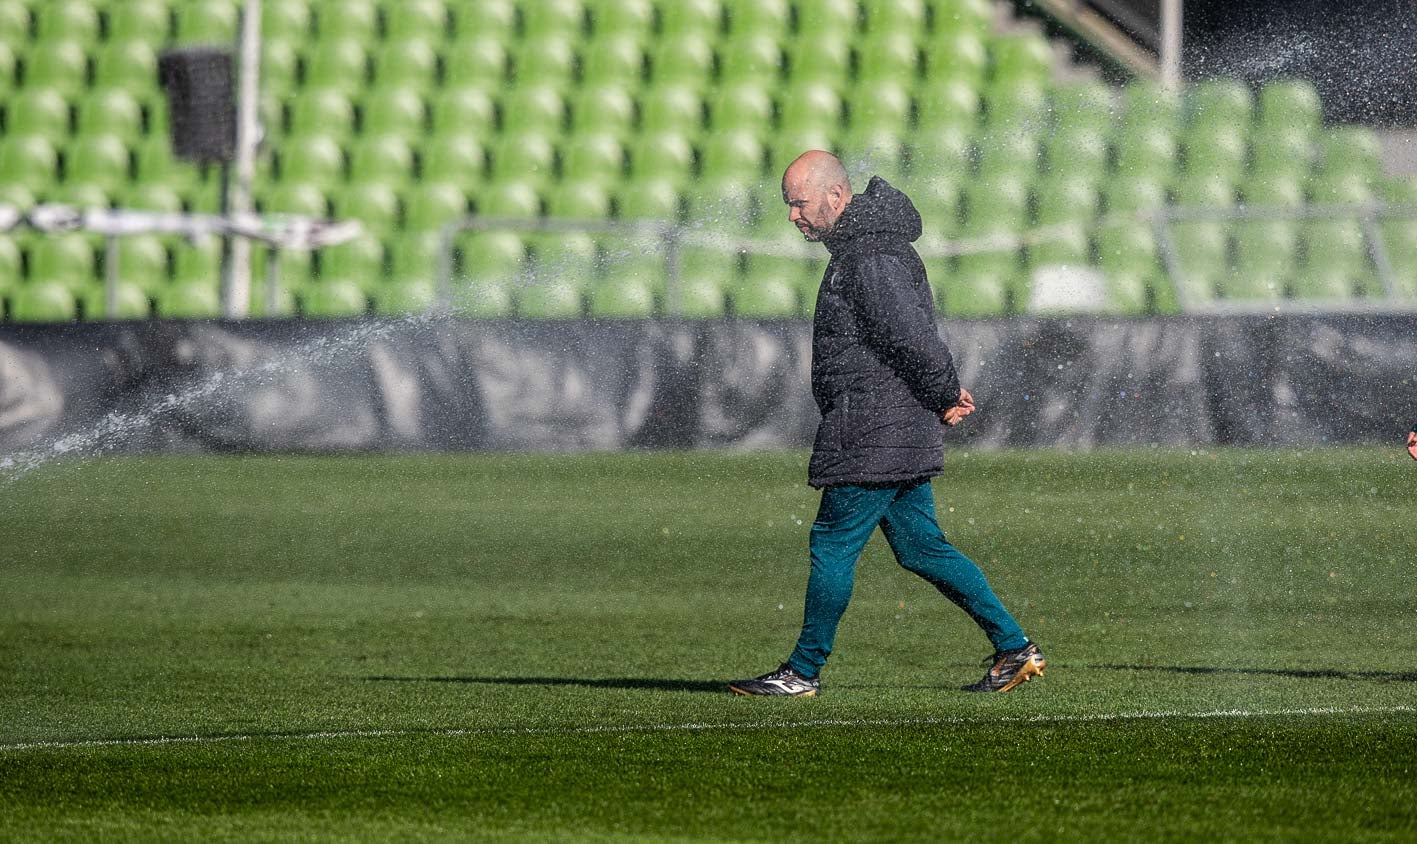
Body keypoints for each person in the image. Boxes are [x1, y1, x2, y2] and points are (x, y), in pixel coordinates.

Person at [729, 151, 1044, 698]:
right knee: (922, 547)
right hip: (890, 425)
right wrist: (938, 392)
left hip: (873, 427)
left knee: (832, 544)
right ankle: (1014, 648)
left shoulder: (868, 254)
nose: (792, 216)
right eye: (788, 205)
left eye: (799, 203)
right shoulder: (865, 246)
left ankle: (803, 672)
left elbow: (909, 334)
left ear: (835, 196)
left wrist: (944, 390)